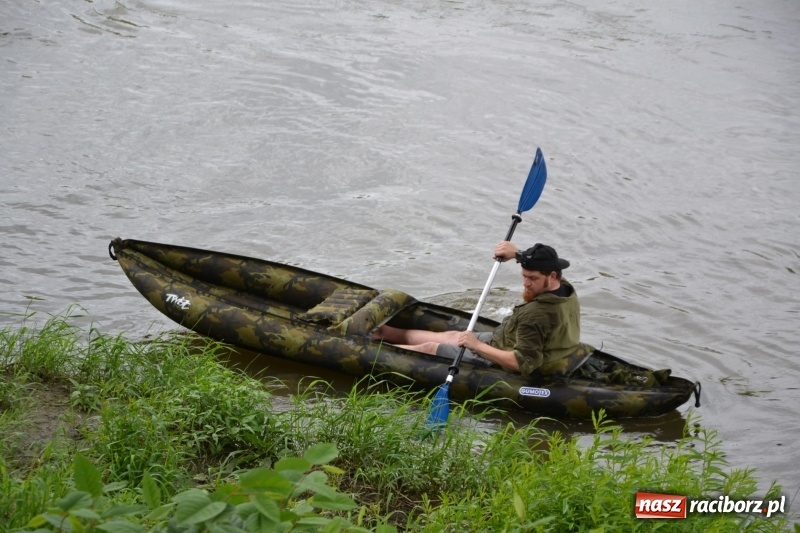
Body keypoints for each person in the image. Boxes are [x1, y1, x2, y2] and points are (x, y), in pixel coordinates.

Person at [372, 241, 586, 377]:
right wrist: (518, 254)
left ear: (552, 276)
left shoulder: (536, 314)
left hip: (505, 355)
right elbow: (539, 263)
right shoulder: (564, 287)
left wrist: (476, 346)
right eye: (524, 276)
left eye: (532, 279)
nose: (526, 284)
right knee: (454, 335)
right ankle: (386, 333)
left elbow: (521, 364)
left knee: (430, 348)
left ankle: (373, 353)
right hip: (509, 339)